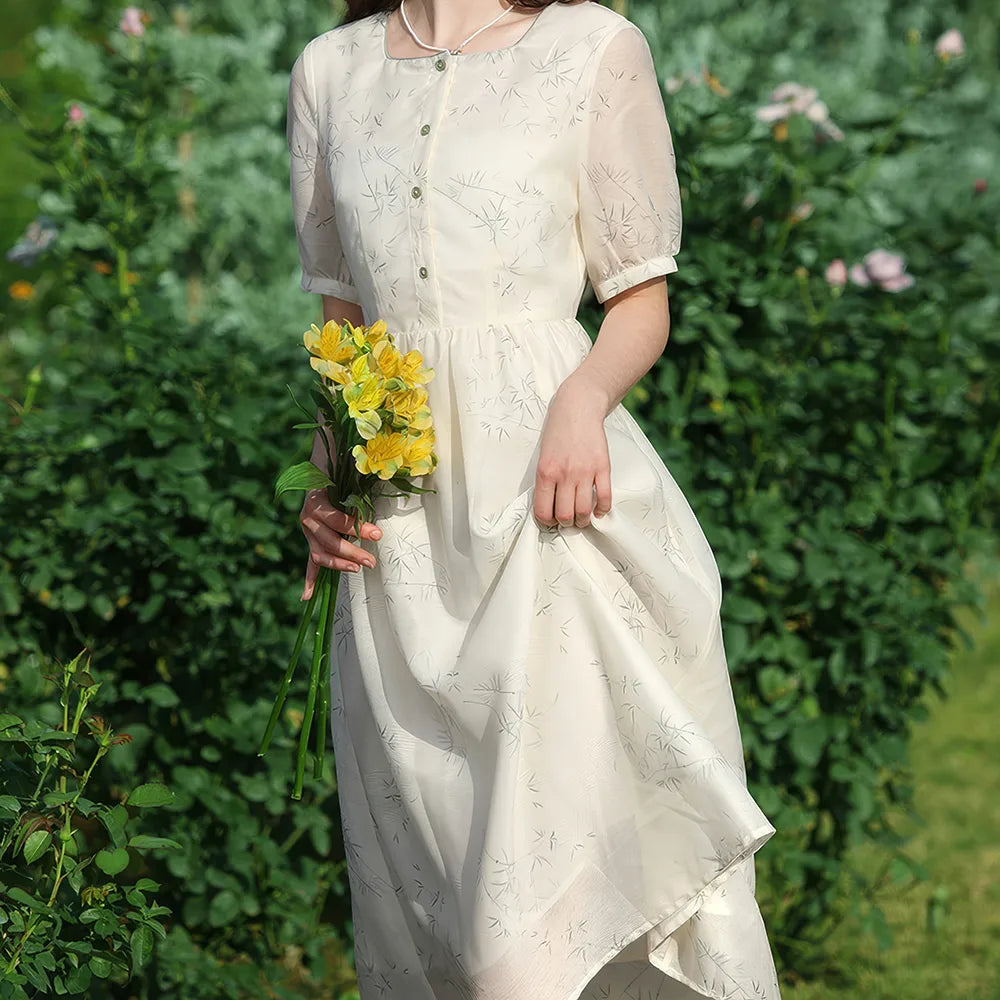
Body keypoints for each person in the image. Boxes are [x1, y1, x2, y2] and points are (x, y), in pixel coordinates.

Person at [287, 1, 782, 997]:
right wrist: (322, 484)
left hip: (551, 504)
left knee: (526, 938)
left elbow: (639, 296)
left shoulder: (592, 47)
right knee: (442, 898)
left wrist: (584, 398)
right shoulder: (328, 70)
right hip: (401, 537)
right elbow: (342, 323)